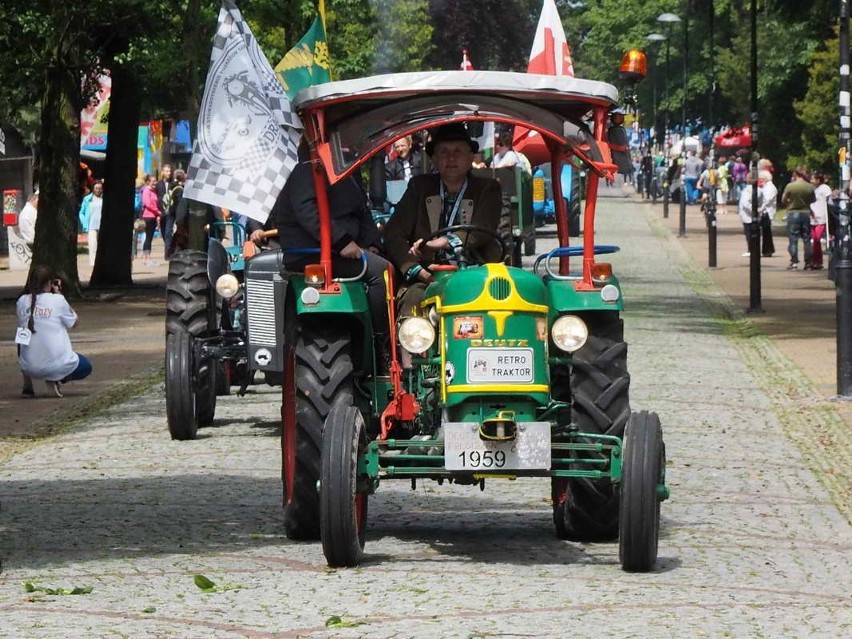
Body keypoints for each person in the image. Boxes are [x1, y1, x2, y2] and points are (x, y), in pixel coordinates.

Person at [259, 139, 390, 337]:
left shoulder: (344, 165)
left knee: (390, 262)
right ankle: (383, 343)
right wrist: (342, 241)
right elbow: (306, 208)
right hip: (313, 250)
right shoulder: (304, 163)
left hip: (341, 248)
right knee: (381, 271)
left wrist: (372, 243)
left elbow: (362, 210)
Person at [383, 123, 503, 319]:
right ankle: (412, 349)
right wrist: (416, 270)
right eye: (444, 152)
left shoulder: (487, 188)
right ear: (434, 158)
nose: (451, 157)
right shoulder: (419, 187)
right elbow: (392, 233)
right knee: (412, 300)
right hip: (430, 276)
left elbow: (482, 229)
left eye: (458, 151)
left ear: (470, 157)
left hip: (478, 274)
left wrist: (443, 242)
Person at [16, 264, 92, 398]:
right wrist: (58, 293)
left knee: (22, 335)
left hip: (29, 367)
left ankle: (27, 385)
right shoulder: (57, 300)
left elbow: (21, 338)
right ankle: (57, 378)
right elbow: (75, 322)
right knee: (86, 366)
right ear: (49, 283)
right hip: (57, 365)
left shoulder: (21, 302)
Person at [781, 167, 816, 270]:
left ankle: (794, 262)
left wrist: (789, 201)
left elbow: (783, 199)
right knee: (807, 238)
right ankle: (808, 262)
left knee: (793, 238)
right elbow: (813, 199)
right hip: (805, 213)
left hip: (793, 212)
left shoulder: (790, 186)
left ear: (795, 174)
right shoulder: (809, 186)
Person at [78, 180, 104, 266]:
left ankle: (101, 264)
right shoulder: (87, 199)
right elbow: (81, 212)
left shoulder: (104, 199)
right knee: (93, 246)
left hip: (102, 226)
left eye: (100, 188)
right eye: (96, 188)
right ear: (93, 188)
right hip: (91, 226)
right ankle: (93, 264)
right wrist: (84, 222)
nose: (98, 190)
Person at [810, 172, 832, 270]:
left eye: (813, 179)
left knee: (817, 239)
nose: (811, 180)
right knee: (814, 241)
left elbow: (829, 200)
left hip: (821, 216)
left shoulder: (825, 188)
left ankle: (818, 262)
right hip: (812, 216)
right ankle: (815, 261)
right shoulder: (812, 188)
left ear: (818, 180)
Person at [140, 174, 160, 265]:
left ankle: (148, 256)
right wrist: (157, 211)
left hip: (153, 217)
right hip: (148, 216)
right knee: (148, 237)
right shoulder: (146, 191)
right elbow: (147, 204)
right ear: (148, 182)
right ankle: (145, 257)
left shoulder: (154, 191)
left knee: (150, 237)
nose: (154, 183)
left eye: (155, 181)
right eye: (153, 181)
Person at [156, 164, 175, 259]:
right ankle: (168, 247)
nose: (169, 173)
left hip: (170, 212)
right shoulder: (159, 184)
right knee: (163, 232)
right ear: (163, 172)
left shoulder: (173, 184)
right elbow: (157, 197)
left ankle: (167, 253)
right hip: (162, 212)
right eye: (167, 171)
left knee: (168, 231)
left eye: (170, 171)